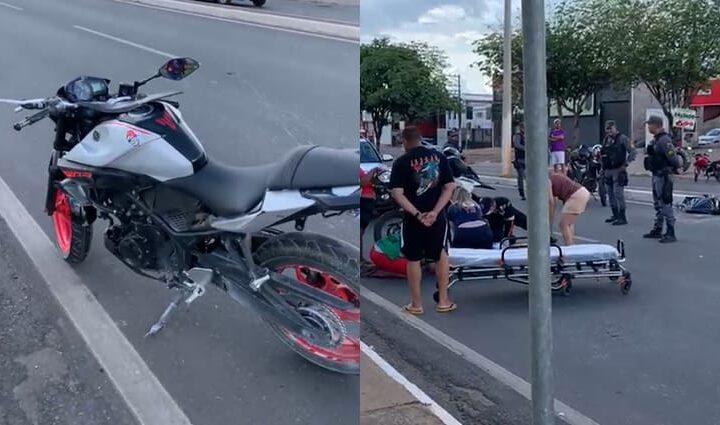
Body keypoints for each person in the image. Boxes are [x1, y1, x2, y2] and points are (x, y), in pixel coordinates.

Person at [389, 126, 457, 315]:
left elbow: (397, 193)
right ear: (420, 139)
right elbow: (449, 186)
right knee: (441, 255)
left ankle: (416, 304)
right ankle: (443, 301)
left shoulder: (401, 162)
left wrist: (418, 214)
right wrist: (435, 212)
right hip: (437, 218)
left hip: (413, 219)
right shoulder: (439, 157)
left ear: (404, 141)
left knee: (413, 258)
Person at [643, 116, 681, 243]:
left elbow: (673, 159)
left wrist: (675, 168)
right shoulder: (656, 140)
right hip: (656, 174)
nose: (648, 127)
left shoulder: (664, 140)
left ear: (656, 125)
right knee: (658, 204)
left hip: (663, 176)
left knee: (665, 203)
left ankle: (671, 231)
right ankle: (658, 228)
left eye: (650, 125)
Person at [601, 121, 636, 225]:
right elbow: (603, 153)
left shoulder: (622, 138)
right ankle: (615, 215)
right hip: (608, 170)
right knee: (610, 194)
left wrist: (626, 164)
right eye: (607, 129)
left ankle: (622, 217)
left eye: (610, 129)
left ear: (615, 128)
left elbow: (633, 151)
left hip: (618, 170)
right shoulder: (606, 139)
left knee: (618, 194)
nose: (609, 131)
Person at [549, 171, 590, 245]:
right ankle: (570, 245)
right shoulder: (555, 177)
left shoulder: (547, 181)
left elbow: (551, 202)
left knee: (563, 224)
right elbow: (553, 201)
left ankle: (570, 248)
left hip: (576, 195)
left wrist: (549, 221)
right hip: (581, 192)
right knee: (569, 223)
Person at [512, 123, 526, 200]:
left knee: (527, 177)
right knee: (521, 176)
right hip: (520, 160)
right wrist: (526, 148)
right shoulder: (518, 136)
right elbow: (517, 145)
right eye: (523, 128)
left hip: (527, 159)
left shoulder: (528, 136)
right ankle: (522, 193)